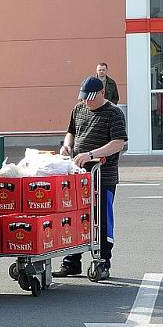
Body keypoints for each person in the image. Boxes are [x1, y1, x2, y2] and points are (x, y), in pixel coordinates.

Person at [54, 76, 127, 280]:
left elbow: (118, 143)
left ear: (102, 93)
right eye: (85, 98)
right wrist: (67, 145)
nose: (87, 102)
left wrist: (91, 155)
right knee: (76, 218)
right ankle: (71, 261)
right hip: (79, 177)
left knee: (102, 220)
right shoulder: (79, 109)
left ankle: (103, 261)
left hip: (102, 177)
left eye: (91, 98)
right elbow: (71, 131)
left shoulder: (113, 113)